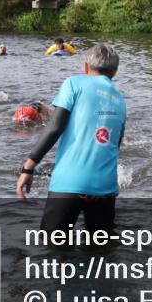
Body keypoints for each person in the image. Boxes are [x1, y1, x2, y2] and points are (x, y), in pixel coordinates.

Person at [15, 44, 127, 238]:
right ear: (114, 71)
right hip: (105, 188)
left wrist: (28, 167)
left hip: (68, 183)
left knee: (52, 251)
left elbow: (55, 127)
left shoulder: (73, 84)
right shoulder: (120, 100)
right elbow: (115, 145)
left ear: (86, 67)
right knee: (100, 255)